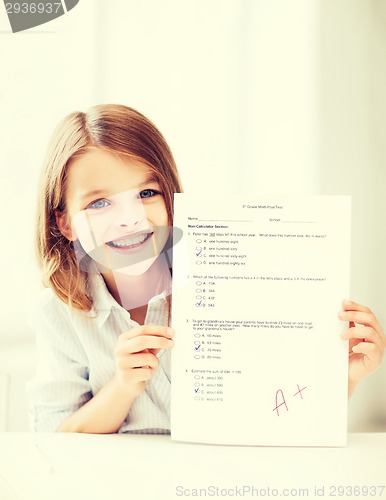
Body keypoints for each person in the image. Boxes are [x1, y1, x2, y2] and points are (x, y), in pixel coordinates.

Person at [27, 104, 386, 434]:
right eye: (100, 202)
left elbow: (279, 414)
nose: (130, 220)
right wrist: (122, 386)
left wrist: (344, 379)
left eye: (147, 193)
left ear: (171, 199)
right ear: (65, 223)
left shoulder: (224, 278)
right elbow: (56, 437)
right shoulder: (59, 313)